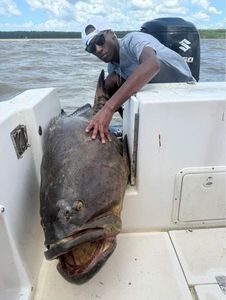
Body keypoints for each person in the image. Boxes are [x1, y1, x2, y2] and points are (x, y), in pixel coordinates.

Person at [81, 16, 195, 143]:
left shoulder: (133, 39)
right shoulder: (112, 67)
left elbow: (152, 65)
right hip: (156, 93)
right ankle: (129, 128)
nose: (98, 49)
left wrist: (108, 109)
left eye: (99, 40)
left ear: (111, 34)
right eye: (91, 48)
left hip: (183, 88)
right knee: (110, 83)